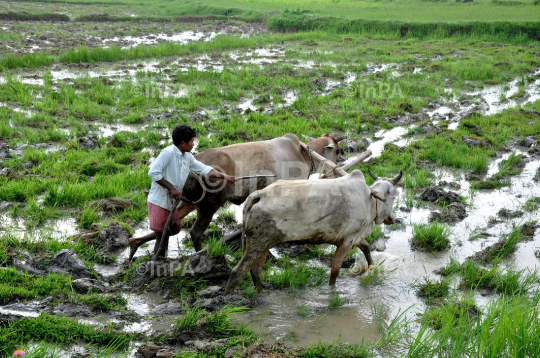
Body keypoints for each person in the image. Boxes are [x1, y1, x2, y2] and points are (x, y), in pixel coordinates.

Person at [128, 124, 235, 260]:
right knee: (162, 238)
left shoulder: (187, 156)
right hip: (160, 200)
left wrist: (225, 176)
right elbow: (153, 172)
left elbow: (204, 169)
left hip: (171, 201)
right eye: (191, 141)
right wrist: (172, 188)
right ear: (183, 143)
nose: (193, 144)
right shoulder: (168, 153)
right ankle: (157, 265)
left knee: (174, 229)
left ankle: (138, 241)